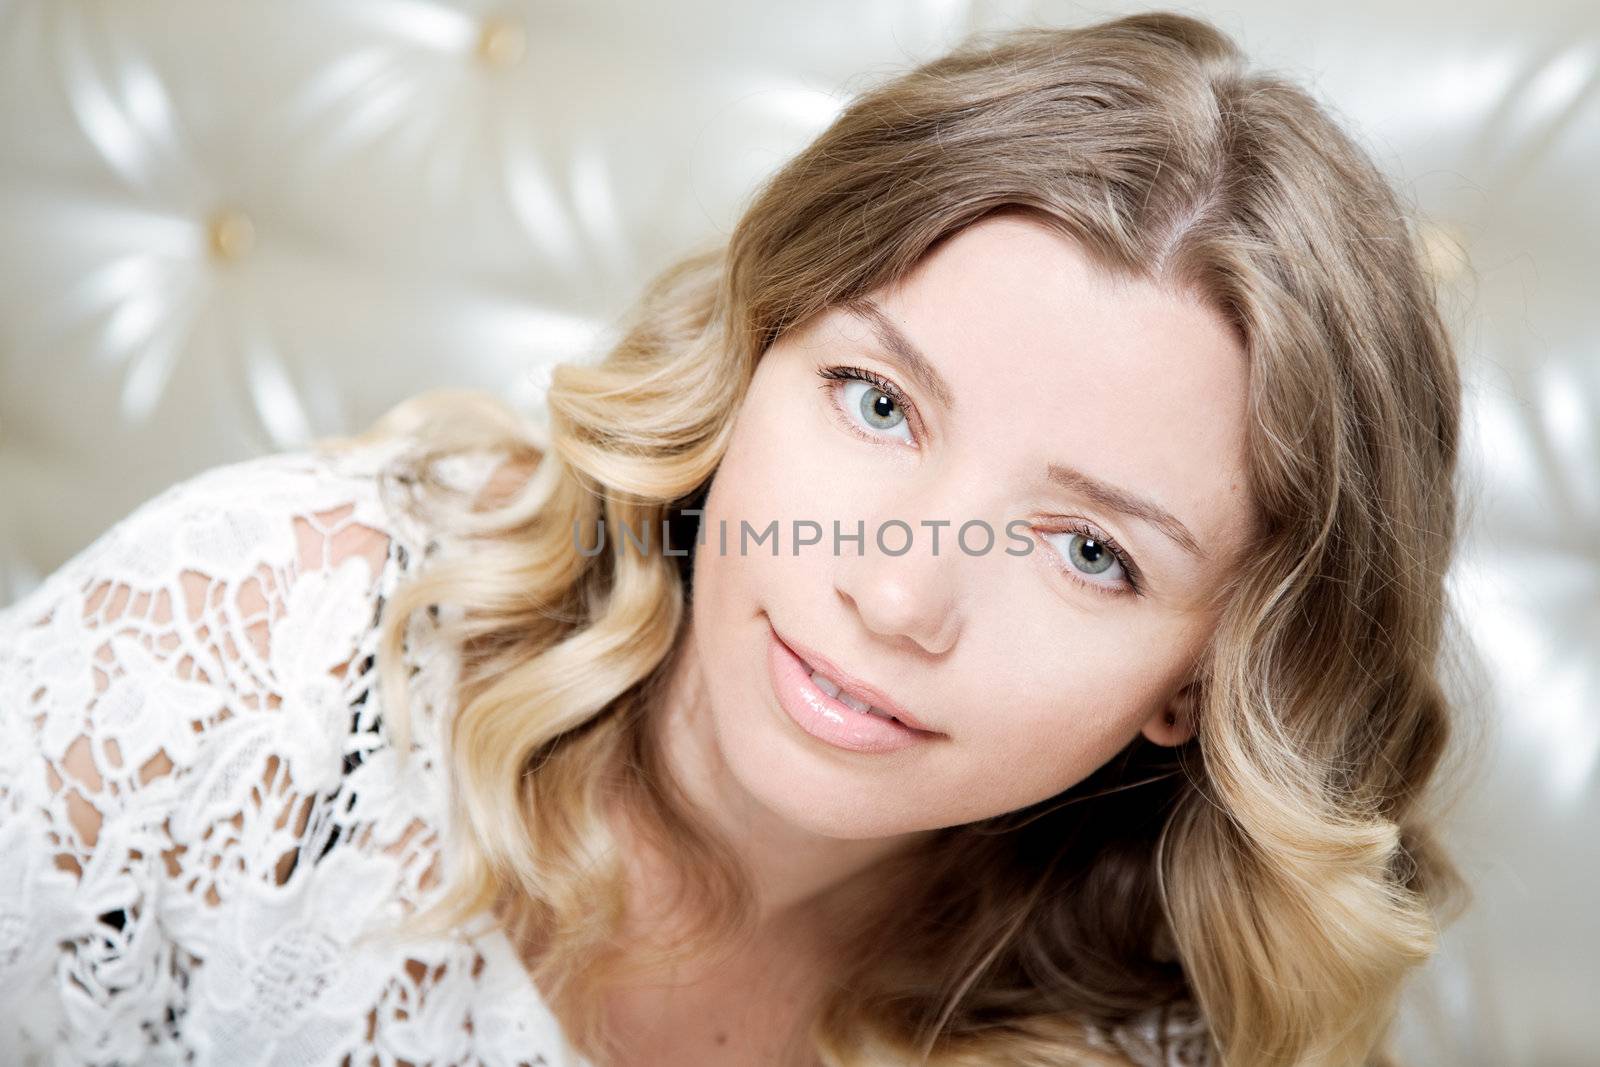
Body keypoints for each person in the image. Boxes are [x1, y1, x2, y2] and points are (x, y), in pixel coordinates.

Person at [0, 10, 1474, 1067]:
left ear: (1204, 679)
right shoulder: (261, 652)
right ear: (747, 360)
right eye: (878, 402)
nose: (896, 595)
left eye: (1091, 552)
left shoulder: (1165, 1032)